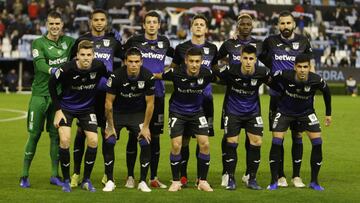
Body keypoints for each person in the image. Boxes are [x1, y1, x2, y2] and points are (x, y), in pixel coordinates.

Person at [20, 11, 75, 188]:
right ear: (46, 24)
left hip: (58, 98)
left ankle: (54, 175)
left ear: (62, 25)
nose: (54, 27)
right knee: (34, 135)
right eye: (51, 24)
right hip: (39, 95)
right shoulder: (38, 42)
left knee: (55, 137)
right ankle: (24, 175)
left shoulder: (69, 42)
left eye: (57, 24)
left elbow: (84, 48)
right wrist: (55, 70)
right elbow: (40, 64)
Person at [258, 10, 314, 188]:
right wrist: (274, 71)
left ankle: (296, 176)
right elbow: (261, 56)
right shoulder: (270, 41)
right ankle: (280, 175)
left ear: (294, 24)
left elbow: (309, 67)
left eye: (288, 23)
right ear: (278, 25)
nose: (285, 26)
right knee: (278, 137)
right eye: (282, 23)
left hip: (299, 98)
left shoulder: (304, 41)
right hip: (277, 97)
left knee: (298, 135)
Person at [70, 9, 122, 188]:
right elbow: (71, 65)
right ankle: (76, 173)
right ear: (90, 21)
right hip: (86, 94)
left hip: (107, 95)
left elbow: (127, 59)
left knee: (108, 132)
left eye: (102, 20)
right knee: (81, 133)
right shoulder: (81, 41)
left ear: (106, 22)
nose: (99, 22)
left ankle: (108, 176)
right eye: (96, 20)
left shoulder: (113, 41)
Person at [122, 10, 174, 189]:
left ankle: (153, 176)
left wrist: (163, 74)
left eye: (155, 22)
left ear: (159, 25)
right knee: (133, 134)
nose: (152, 25)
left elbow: (178, 60)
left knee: (156, 137)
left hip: (157, 94)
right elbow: (125, 61)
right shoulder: (134, 41)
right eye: (148, 22)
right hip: (136, 95)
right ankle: (130, 176)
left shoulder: (164, 42)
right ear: (144, 25)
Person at [49, 40, 108, 192]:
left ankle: (86, 180)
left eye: (89, 55)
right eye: (82, 55)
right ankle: (67, 180)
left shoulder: (99, 66)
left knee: (94, 140)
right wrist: (58, 110)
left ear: (93, 55)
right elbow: (51, 84)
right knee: (65, 140)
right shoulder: (66, 69)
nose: (86, 58)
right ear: (77, 56)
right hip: (66, 108)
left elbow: (111, 78)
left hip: (87, 109)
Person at [267, 54, 331, 191]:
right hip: (284, 112)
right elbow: (270, 80)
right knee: (276, 141)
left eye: (305, 67)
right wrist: (280, 90)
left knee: (318, 142)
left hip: (306, 113)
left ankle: (314, 182)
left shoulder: (316, 80)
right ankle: (274, 181)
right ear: (295, 67)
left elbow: (327, 92)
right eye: (300, 67)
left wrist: (328, 114)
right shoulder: (285, 74)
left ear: (309, 68)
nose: (302, 70)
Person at [155, 47, 214, 192]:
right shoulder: (175, 73)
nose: (194, 65)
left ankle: (203, 181)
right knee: (176, 145)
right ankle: (176, 182)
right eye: (192, 61)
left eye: (197, 62)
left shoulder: (207, 74)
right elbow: (158, 76)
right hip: (177, 112)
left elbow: (224, 78)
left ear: (201, 62)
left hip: (196, 113)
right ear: (186, 61)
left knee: (205, 144)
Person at [170, 14, 218, 186]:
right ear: (191, 28)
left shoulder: (213, 48)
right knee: (183, 140)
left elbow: (215, 71)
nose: (198, 27)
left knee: (203, 139)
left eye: (201, 24)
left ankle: (200, 177)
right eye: (196, 24)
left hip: (206, 100)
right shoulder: (182, 48)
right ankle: (182, 176)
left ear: (206, 29)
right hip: (184, 100)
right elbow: (174, 71)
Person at [217, 13, 263, 187]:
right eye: (242, 23)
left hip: (252, 101)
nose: (245, 25)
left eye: (248, 23)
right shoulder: (229, 44)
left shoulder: (259, 45)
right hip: (232, 99)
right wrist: (224, 78)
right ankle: (227, 174)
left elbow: (267, 64)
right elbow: (214, 62)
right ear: (237, 26)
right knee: (229, 138)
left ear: (252, 26)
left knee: (254, 139)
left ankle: (249, 176)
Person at [104, 47, 155, 192]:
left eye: (137, 62)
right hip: (117, 114)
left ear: (141, 62)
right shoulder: (116, 76)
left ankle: (143, 181)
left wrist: (145, 127)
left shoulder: (148, 76)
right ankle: (109, 180)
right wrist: (110, 126)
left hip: (137, 114)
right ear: (125, 62)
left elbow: (150, 103)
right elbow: (108, 103)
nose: (133, 65)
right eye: (131, 61)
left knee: (145, 142)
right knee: (109, 141)